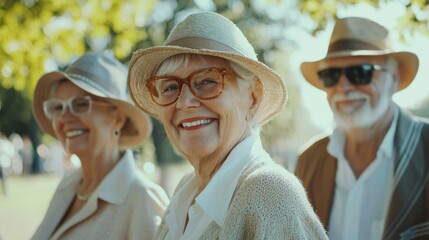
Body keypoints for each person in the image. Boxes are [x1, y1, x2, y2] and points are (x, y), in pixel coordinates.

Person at [128, 12, 328, 239]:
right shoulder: (186, 190)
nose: (184, 102)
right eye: (170, 88)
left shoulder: (270, 193)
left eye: (207, 81)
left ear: (252, 97)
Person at [295, 17, 429, 240]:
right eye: (331, 76)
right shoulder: (309, 160)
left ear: (394, 80)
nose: (343, 86)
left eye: (361, 72)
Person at [31, 53, 169, 240]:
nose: (63, 118)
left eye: (80, 104)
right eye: (58, 107)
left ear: (118, 118)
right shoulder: (68, 185)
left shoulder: (141, 198)